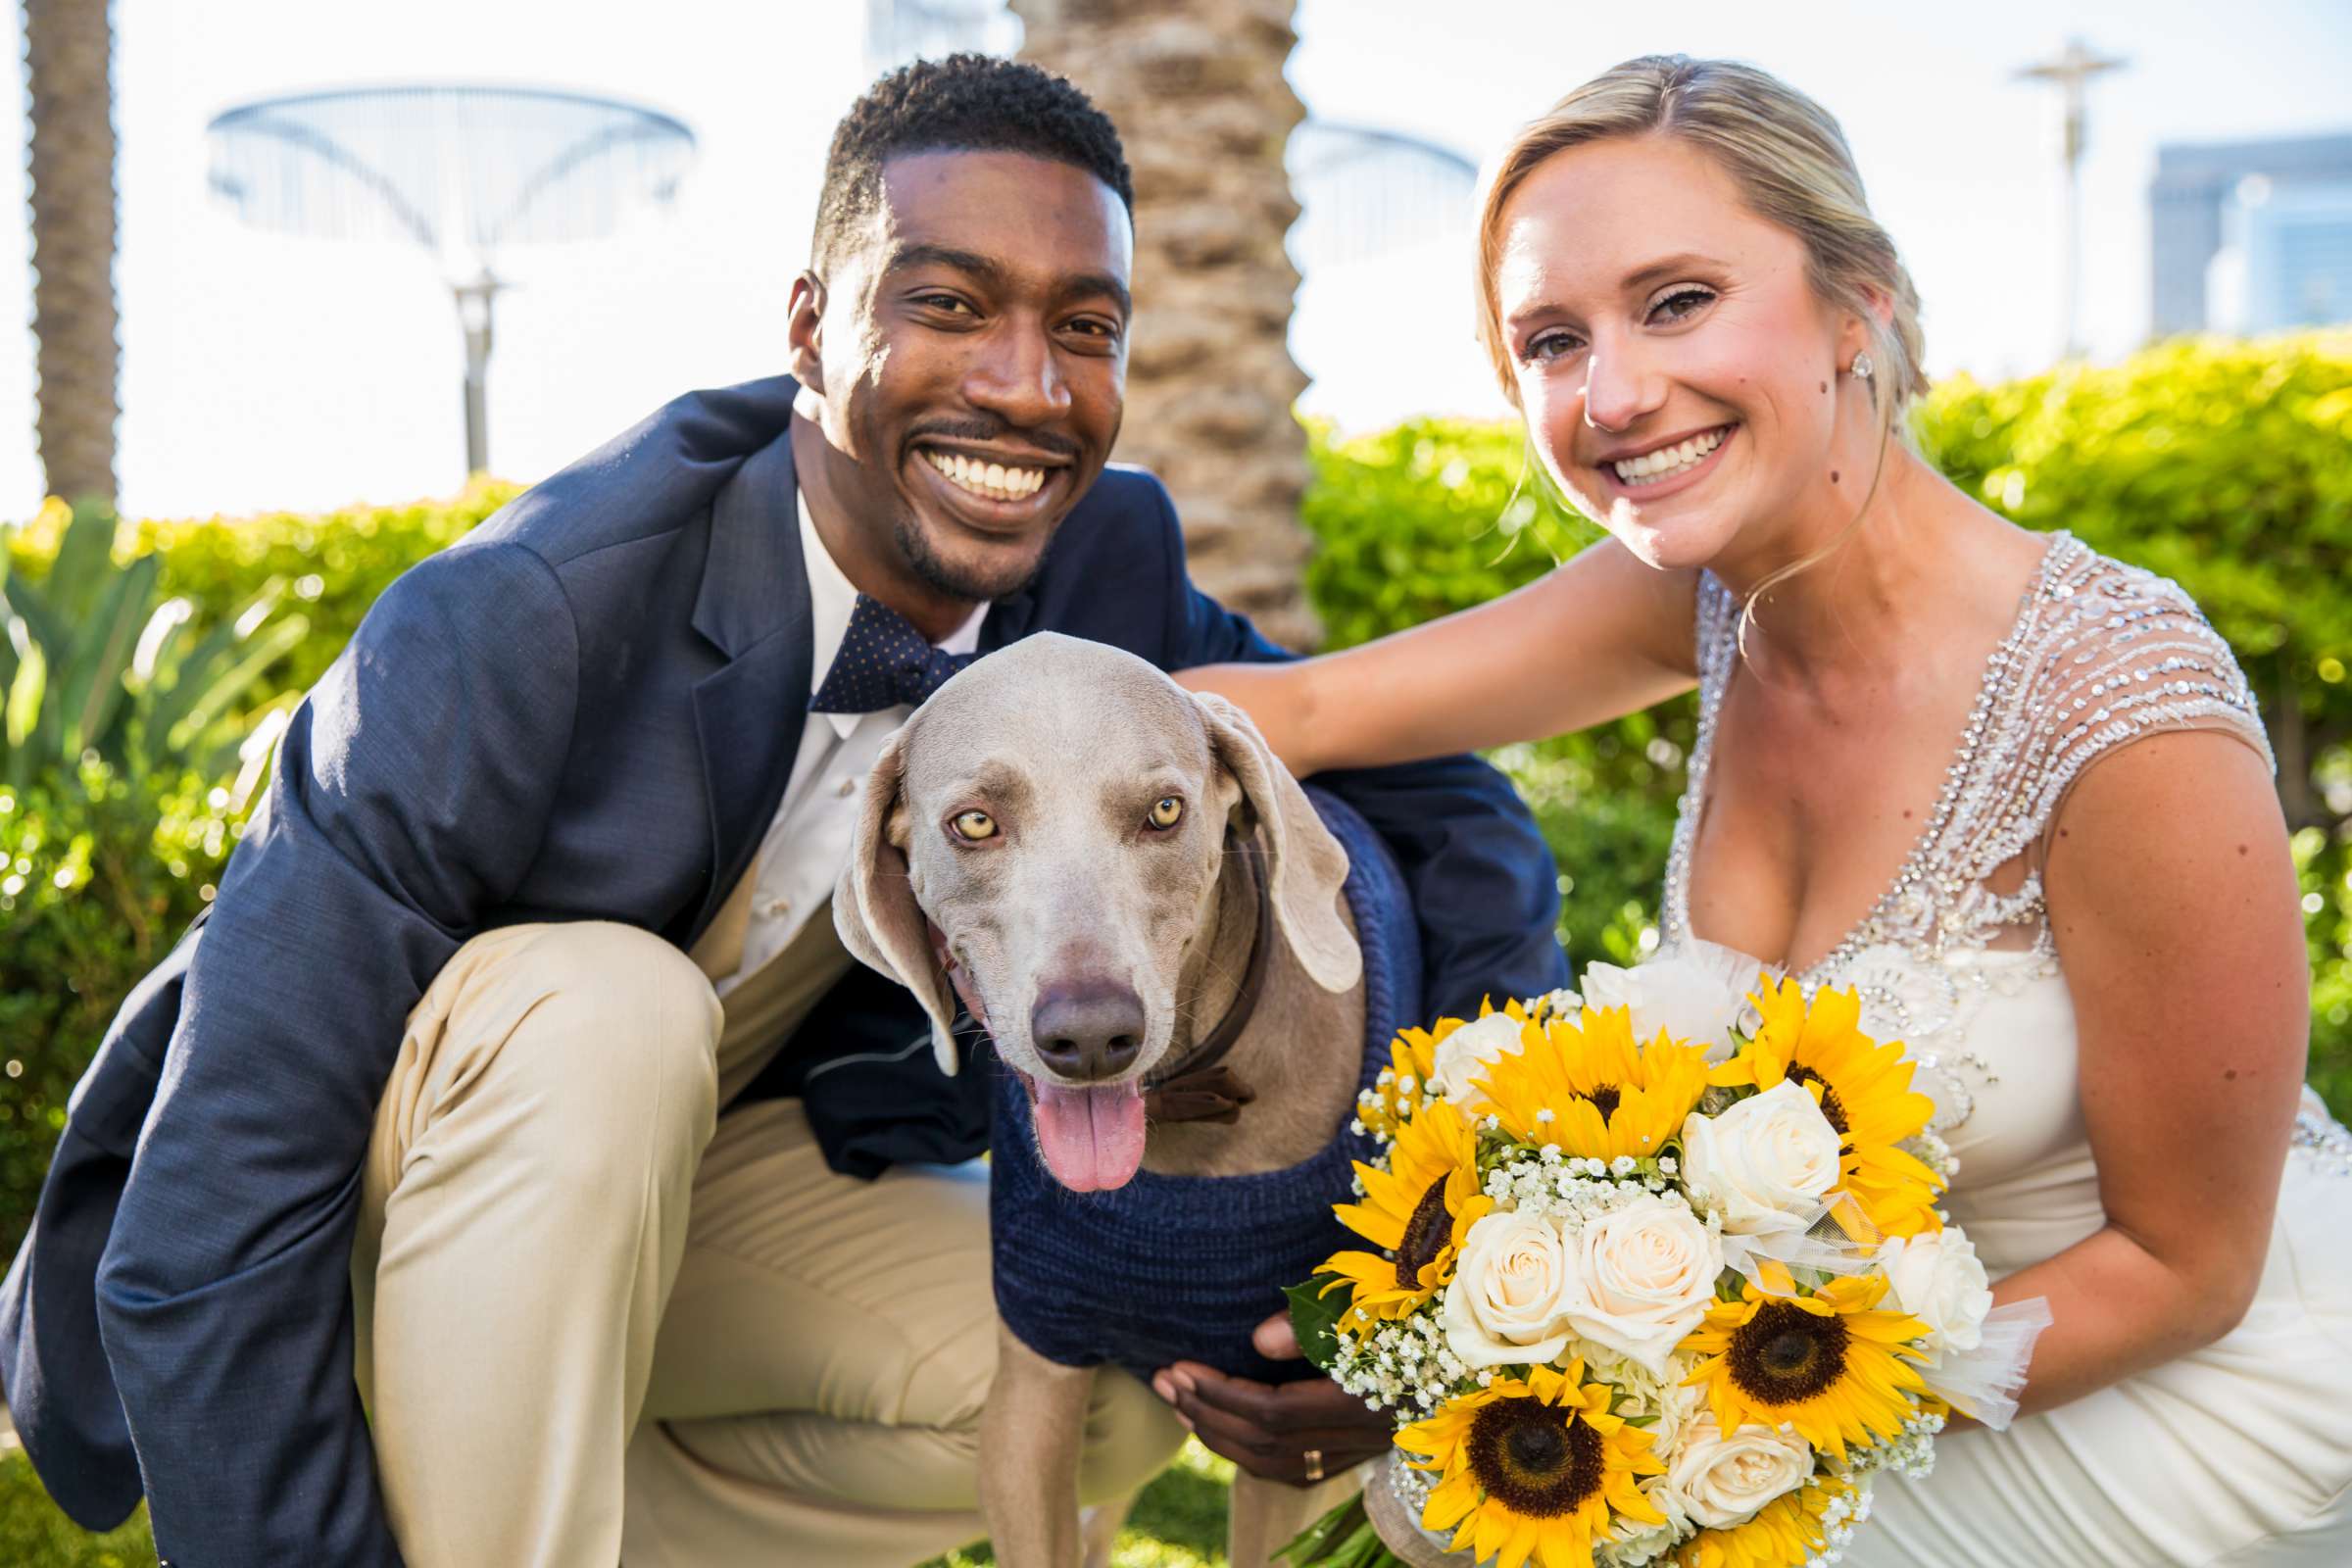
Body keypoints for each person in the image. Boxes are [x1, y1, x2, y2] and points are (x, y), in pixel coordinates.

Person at [0, 56, 1567, 1568]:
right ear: (812, 328)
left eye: (1083, 325)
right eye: (947, 304)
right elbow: (221, 1196)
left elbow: (1436, 800)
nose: (1026, 388)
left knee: (1086, 1362)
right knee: (606, 1005)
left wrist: (1435, 1238)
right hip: (386, 1208)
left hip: (695, 1190)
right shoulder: (524, 618)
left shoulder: (1100, 574)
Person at [1180, 54, 2352, 1568]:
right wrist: (943, 747)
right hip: (1814, 1364)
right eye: (1552, 340)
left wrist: (1659, 1426)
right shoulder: (1701, 597)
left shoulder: (2123, 704)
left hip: (2178, 1370)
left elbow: (2193, 1268)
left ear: (1858, 302)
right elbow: (1311, 710)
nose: (1613, 394)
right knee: (1446, 1512)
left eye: (1678, 302)